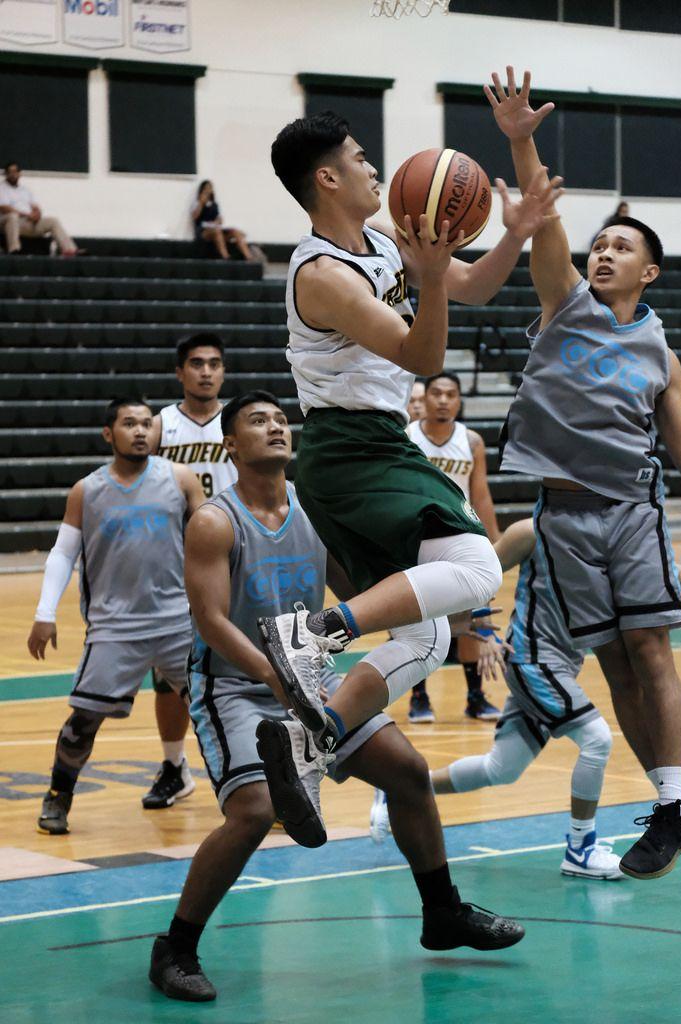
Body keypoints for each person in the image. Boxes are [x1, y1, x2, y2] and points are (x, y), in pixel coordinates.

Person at [148, 391, 524, 1002]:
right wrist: (277, 676)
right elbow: (212, 620)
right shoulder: (215, 520)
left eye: (279, 419)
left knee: (408, 771)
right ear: (230, 445)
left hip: (307, 675)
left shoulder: (313, 507)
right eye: (257, 421)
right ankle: (176, 947)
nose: (274, 427)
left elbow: (356, 590)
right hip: (237, 684)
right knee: (251, 812)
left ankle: (442, 911)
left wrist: (437, 611)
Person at [254, 110, 561, 851]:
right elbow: (422, 359)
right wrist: (427, 283)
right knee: (478, 564)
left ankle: (311, 736)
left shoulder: (387, 237)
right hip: (349, 447)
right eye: (359, 159)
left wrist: (514, 232)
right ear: (327, 178)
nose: (372, 168)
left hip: (371, 446)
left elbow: (475, 289)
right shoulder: (322, 273)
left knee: (424, 640)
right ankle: (315, 634)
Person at [485, 66, 681, 879]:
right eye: (600, 244)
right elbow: (542, 221)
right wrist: (519, 138)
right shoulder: (560, 300)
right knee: (611, 664)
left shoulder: (660, 352)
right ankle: (672, 800)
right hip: (562, 517)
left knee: (649, 651)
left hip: (632, 510)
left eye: (621, 248)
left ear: (649, 273)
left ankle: (672, 806)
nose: (603, 253)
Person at [27, 398, 204, 834]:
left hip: (178, 621)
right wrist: (44, 612)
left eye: (147, 424)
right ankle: (58, 796)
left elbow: (208, 545)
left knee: (217, 713)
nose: (141, 431)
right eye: (130, 424)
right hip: (114, 627)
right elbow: (63, 553)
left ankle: (251, 794)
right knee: (83, 721)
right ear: (110, 433)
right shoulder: (87, 490)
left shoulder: (179, 479)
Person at [433, 519, 625, 880]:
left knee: (501, 769)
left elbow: (663, 573)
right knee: (597, 740)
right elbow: (474, 576)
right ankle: (580, 849)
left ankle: (402, 787)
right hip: (532, 660)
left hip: (563, 665)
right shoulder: (531, 532)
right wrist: (483, 630)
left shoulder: (607, 534)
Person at [140, 333, 238, 811]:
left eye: (214, 364)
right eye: (196, 364)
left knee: (252, 664)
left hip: (239, 555)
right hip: (175, 562)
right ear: (180, 372)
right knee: (169, 673)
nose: (206, 372)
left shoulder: (240, 422)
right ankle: (175, 767)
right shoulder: (158, 427)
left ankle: (263, 768)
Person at [406, 370, 502, 724]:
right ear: (425, 398)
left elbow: (481, 494)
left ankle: (475, 697)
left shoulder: (472, 441)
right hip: (417, 536)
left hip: (463, 536)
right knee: (418, 620)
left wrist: (494, 543)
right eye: (437, 393)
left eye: (451, 394)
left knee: (471, 619)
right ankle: (419, 697)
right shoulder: (406, 437)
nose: (443, 400)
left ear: (460, 400)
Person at [0, 161, 80, 256]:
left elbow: (35, 206)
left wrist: (37, 214)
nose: (13, 174)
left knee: (53, 221)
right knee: (12, 217)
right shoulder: (2, 188)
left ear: (20, 173)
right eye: (10, 172)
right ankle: (14, 250)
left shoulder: (25, 190)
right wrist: (27, 214)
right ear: (6, 174)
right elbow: (4, 208)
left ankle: (70, 250)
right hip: (9, 223)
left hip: (27, 223)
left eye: (15, 172)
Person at [191, 179, 259, 262]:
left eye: (210, 188)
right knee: (217, 231)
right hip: (203, 231)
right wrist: (201, 204)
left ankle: (249, 257)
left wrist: (218, 221)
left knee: (235, 231)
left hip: (215, 228)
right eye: (206, 188)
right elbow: (194, 217)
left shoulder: (214, 204)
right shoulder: (197, 202)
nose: (208, 191)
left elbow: (220, 219)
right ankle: (226, 257)